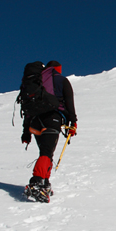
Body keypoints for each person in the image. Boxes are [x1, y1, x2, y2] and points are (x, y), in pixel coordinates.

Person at [21, 60, 77, 200]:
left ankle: (44, 182)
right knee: (47, 151)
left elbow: (28, 109)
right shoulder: (61, 80)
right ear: (58, 69)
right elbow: (69, 102)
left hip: (35, 121)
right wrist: (73, 122)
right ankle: (37, 181)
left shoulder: (38, 82)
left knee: (45, 151)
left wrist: (26, 132)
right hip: (52, 118)